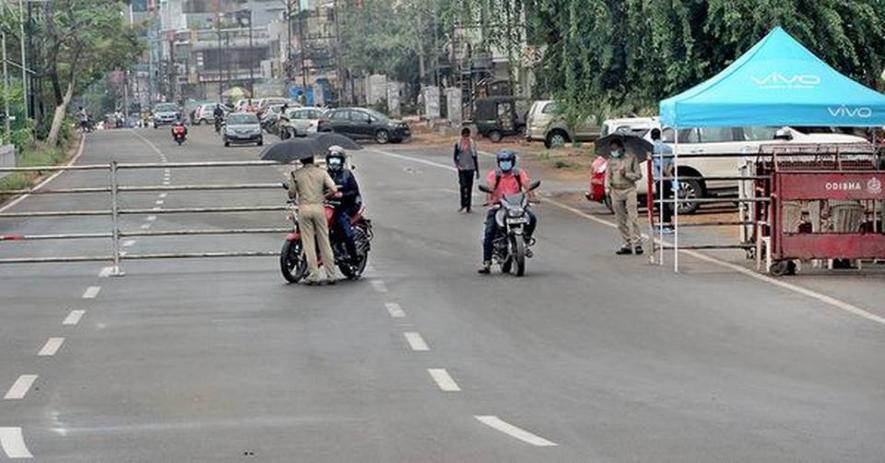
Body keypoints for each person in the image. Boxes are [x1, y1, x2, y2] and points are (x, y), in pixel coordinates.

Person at [478, 149, 537, 274]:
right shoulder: (494, 174)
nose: (505, 163)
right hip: (499, 206)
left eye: (508, 161)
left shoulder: (518, 173)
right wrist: (490, 201)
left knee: (532, 218)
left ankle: (525, 242)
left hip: (516, 206)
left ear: (513, 162)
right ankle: (487, 262)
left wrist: (532, 198)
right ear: (499, 162)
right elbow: (490, 188)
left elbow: (527, 185)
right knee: (489, 231)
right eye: (503, 161)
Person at [288, 155, 340, 285]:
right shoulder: (321, 172)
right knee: (324, 240)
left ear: (301, 160)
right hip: (319, 207)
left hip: (304, 208)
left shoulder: (296, 173)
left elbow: (291, 193)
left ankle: (314, 274)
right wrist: (323, 196)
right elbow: (334, 189)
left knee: (308, 243)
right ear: (313, 159)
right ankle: (331, 274)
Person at [605, 138, 643, 255]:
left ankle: (637, 244)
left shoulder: (631, 157)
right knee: (620, 220)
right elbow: (608, 175)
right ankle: (627, 243)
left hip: (629, 189)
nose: (614, 151)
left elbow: (638, 175)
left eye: (616, 149)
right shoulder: (611, 160)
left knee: (633, 217)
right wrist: (606, 187)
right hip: (616, 190)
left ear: (621, 148)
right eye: (612, 149)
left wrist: (627, 174)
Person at [325, 146, 361, 264]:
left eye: (337, 160)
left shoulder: (347, 174)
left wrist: (342, 195)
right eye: (332, 160)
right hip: (329, 206)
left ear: (341, 161)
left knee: (346, 231)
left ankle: (353, 257)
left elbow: (354, 191)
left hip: (346, 206)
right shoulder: (325, 175)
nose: (334, 163)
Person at [650, 128, 675, 233]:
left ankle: (663, 224)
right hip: (667, 178)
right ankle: (668, 222)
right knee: (667, 200)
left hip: (658, 178)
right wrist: (668, 173)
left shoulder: (652, 149)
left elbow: (655, 163)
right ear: (660, 135)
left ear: (652, 137)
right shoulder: (668, 148)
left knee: (661, 202)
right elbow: (672, 163)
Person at [454, 127, 480, 213]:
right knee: (462, 186)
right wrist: (458, 165)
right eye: (464, 136)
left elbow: (475, 157)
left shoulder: (472, 144)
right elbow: (455, 156)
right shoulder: (458, 143)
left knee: (469, 187)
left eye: (467, 136)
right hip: (462, 168)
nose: (465, 138)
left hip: (470, 168)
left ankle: (468, 206)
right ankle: (462, 204)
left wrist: (477, 170)